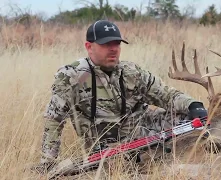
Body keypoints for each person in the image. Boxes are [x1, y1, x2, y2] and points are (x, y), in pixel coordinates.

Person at [33, 20, 208, 173]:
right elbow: (54, 119)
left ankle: (188, 155)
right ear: (89, 46)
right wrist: (48, 162)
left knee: (193, 120)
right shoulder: (71, 76)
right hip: (105, 149)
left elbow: (167, 95)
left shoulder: (132, 72)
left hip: (143, 134)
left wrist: (193, 104)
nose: (113, 49)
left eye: (117, 44)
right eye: (106, 44)